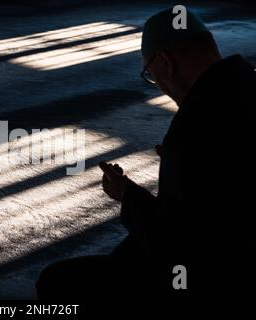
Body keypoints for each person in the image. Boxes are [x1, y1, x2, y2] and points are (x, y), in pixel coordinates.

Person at [36, 8, 256, 299]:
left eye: (151, 76)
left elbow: (174, 247)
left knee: (57, 282)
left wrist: (127, 194)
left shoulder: (196, 122)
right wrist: (181, 168)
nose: (160, 88)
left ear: (165, 61)